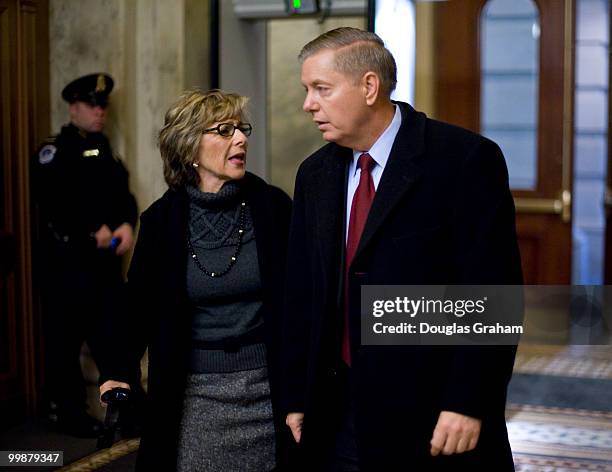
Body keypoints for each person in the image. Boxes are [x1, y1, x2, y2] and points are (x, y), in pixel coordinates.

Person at [282, 27, 523, 471]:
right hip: (337, 416)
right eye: (307, 90)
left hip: (432, 414)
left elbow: (493, 296)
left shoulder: (464, 160)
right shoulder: (314, 174)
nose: (308, 105)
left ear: (369, 86)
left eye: (322, 89)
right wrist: (298, 396)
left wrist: (467, 403)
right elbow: (302, 295)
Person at [99, 89, 294, 471]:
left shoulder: (273, 208)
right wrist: (117, 373)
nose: (240, 138)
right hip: (193, 397)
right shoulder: (161, 222)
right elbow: (136, 308)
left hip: (270, 394)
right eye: (223, 130)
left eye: (241, 129)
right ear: (189, 149)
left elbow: (305, 302)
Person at [31, 73, 138, 437]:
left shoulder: (104, 147)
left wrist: (127, 224)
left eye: (103, 105)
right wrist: (92, 233)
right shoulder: (54, 151)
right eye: (93, 105)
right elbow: (53, 207)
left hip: (105, 269)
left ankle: (127, 411)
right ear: (74, 108)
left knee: (114, 340)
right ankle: (70, 413)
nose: (100, 111)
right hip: (68, 269)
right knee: (64, 346)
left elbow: (124, 196)